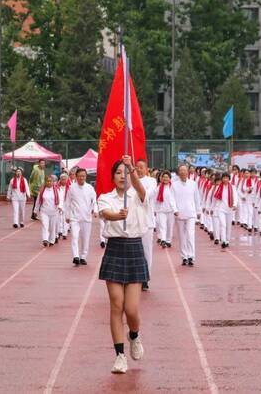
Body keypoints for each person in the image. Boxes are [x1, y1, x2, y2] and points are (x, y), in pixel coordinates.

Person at [97, 155, 148, 374]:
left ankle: (134, 336)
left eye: (124, 173)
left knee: (132, 309)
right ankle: (119, 355)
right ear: (112, 177)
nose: (122, 177)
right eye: (118, 173)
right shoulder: (105, 197)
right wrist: (118, 216)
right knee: (117, 305)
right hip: (115, 249)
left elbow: (140, 187)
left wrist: (131, 168)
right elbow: (106, 214)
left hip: (135, 249)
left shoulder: (137, 195)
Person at [67, 168, 97, 266]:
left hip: (86, 217)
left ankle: (83, 256)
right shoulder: (72, 188)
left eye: (83, 176)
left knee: (85, 239)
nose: (81, 178)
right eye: (80, 176)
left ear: (86, 176)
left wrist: (95, 210)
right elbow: (67, 202)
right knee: (74, 236)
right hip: (75, 218)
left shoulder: (90, 188)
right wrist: (67, 215)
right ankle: (76, 256)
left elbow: (94, 201)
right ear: (76, 176)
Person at [172, 164, 201, 266]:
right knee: (182, 236)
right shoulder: (174, 185)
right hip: (179, 214)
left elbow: (197, 198)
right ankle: (184, 256)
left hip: (191, 213)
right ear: (179, 172)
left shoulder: (193, 184)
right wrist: (175, 210)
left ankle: (191, 256)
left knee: (190, 234)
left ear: (188, 172)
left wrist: (198, 211)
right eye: (181, 171)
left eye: (185, 170)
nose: (183, 172)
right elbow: (172, 199)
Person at [136, 159, 157, 291]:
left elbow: (146, 195)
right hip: (134, 221)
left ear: (146, 169)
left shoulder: (152, 181)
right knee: (134, 251)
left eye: (141, 167)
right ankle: (135, 276)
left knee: (146, 251)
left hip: (147, 221)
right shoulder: (130, 180)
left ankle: (145, 277)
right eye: (136, 167)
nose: (139, 169)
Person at [33, 175, 63, 247]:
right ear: (45, 182)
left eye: (50, 181)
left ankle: (52, 240)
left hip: (54, 211)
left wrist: (60, 206)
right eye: (48, 181)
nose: (49, 182)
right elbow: (38, 201)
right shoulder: (42, 190)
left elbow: (61, 199)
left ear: (53, 182)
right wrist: (35, 210)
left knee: (52, 227)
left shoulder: (57, 190)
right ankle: (45, 239)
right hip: (44, 211)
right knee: (45, 225)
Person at [212, 172, 238, 249]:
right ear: (222, 179)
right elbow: (214, 199)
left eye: (227, 178)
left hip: (229, 209)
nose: (225, 179)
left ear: (229, 179)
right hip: (221, 209)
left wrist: (235, 205)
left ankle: (227, 240)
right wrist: (212, 208)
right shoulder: (218, 187)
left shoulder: (232, 187)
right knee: (223, 224)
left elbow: (235, 197)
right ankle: (223, 241)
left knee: (228, 226)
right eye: (224, 178)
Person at [154, 171, 177, 249]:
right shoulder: (159, 187)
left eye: (167, 177)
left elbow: (174, 199)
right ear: (161, 178)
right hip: (161, 210)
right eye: (164, 177)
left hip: (170, 211)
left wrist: (175, 210)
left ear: (170, 178)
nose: (165, 179)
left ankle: (168, 241)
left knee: (170, 227)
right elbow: (155, 199)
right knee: (162, 225)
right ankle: (163, 240)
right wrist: (154, 209)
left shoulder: (173, 187)